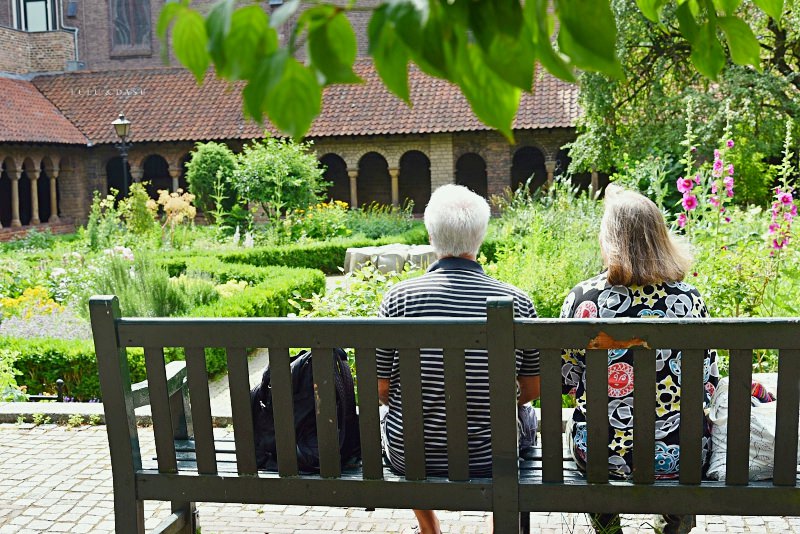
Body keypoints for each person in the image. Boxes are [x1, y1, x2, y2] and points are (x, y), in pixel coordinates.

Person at [376, 184, 540, 534]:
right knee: (524, 419)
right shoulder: (518, 302)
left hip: (413, 457)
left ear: (431, 234)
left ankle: (429, 528)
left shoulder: (398, 300)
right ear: (480, 236)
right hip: (492, 459)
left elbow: (382, 391)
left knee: (406, 423)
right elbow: (530, 390)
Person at [560, 185, 719, 534]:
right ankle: (674, 519)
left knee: (584, 428)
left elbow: (565, 380)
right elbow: (709, 382)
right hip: (682, 453)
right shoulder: (689, 300)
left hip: (602, 454)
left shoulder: (584, 300)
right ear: (660, 238)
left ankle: (607, 527)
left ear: (609, 240)